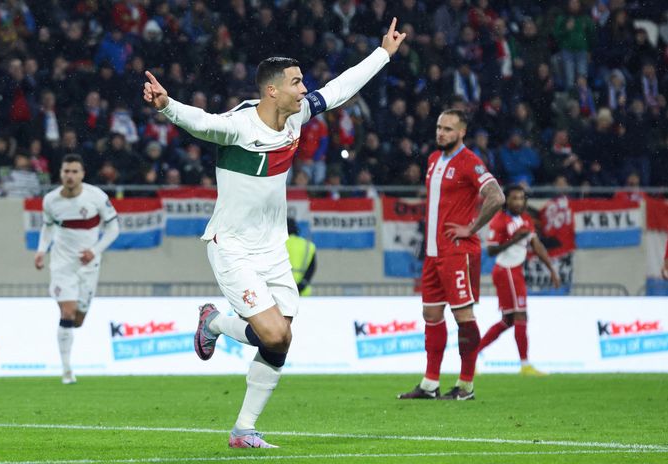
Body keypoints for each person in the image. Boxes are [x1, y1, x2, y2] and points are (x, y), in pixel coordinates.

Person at [144, 19, 407, 447]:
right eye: (296, 82)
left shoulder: (296, 115)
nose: (305, 89)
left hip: (272, 249)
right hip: (232, 247)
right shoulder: (240, 125)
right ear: (272, 90)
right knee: (271, 333)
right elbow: (202, 123)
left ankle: (243, 430)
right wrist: (166, 105)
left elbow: (340, 89)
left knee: (280, 341)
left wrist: (383, 54)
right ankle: (212, 322)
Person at [398, 109, 505, 401]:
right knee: (431, 314)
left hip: (458, 252)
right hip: (433, 253)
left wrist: (471, 227)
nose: (441, 133)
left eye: (447, 129)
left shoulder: (470, 162)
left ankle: (466, 385)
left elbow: (497, 196)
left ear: (461, 133)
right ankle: (430, 384)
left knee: (463, 315)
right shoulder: (433, 159)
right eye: (438, 127)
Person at [34, 154, 120, 384]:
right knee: (67, 312)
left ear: (82, 174)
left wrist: (96, 250)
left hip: (89, 264)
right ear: (60, 174)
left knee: (78, 320)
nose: (70, 176)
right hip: (62, 264)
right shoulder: (51, 200)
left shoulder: (96, 197)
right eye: (66, 171)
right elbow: (47, 227)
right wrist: (41, 250)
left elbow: (114, 229)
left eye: (74, 171)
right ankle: (66, 370)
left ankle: (67, 363)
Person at [477, 185, 561, 375]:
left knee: (508, 320)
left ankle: (473, 354)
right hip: (506, 270)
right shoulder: (499, 220)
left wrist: (552, 270)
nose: (519, 202)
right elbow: (491, 250)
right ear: (507, 200)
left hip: (515, 271)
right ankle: (525, 365)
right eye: (514, 198)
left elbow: (536, 245)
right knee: (521, 315)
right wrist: (514, 240)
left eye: (521, 198)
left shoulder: (526, 220)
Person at [286, 218, 317, 296]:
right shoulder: (308, 245)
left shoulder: (278, 244)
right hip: (304, 292)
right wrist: (302, 284)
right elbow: (312, 268)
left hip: (284, 290)